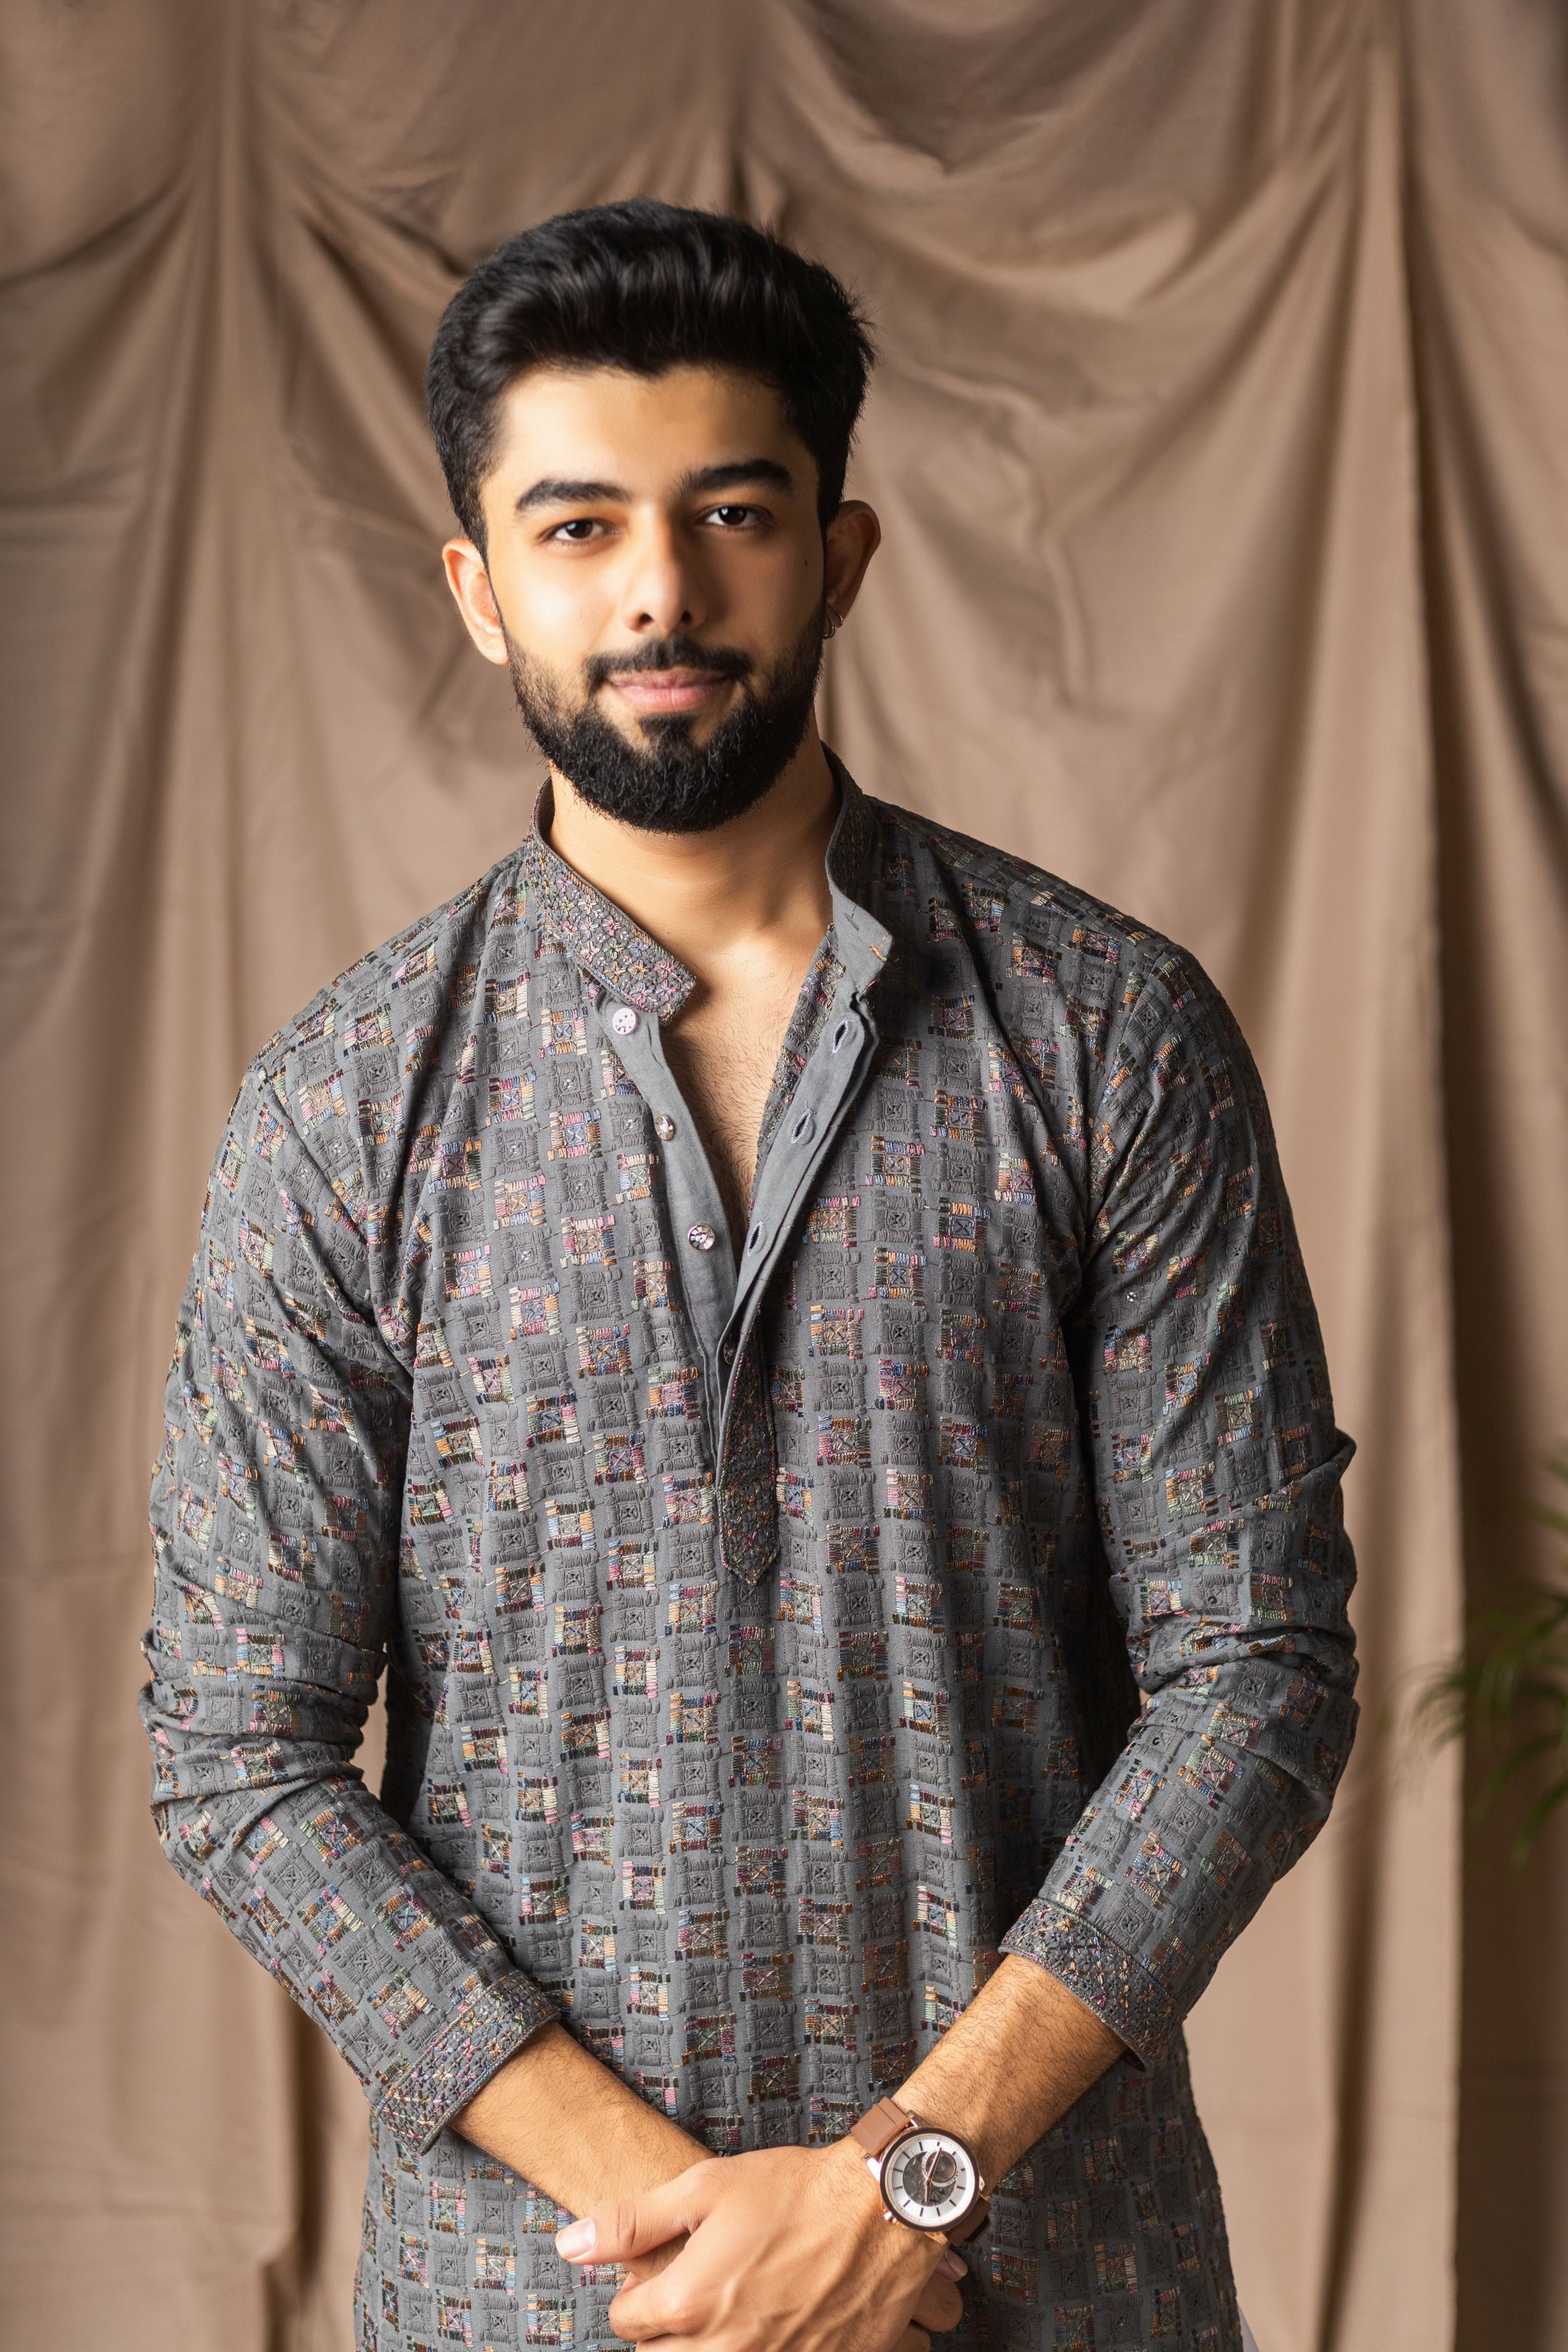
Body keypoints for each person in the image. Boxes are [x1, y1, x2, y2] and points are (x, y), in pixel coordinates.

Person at [142, 199, 1358, 2352]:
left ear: (842, 554)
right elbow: (242, 1747)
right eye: (578, 525)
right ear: (477, 586)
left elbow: (1256, 1666)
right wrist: (698, 2226)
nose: (661, 591)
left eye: (732, 513)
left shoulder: (1109, 1035)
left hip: (1047, 2275)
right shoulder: (343, 1108)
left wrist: (906, 2180)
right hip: (543, 2298)